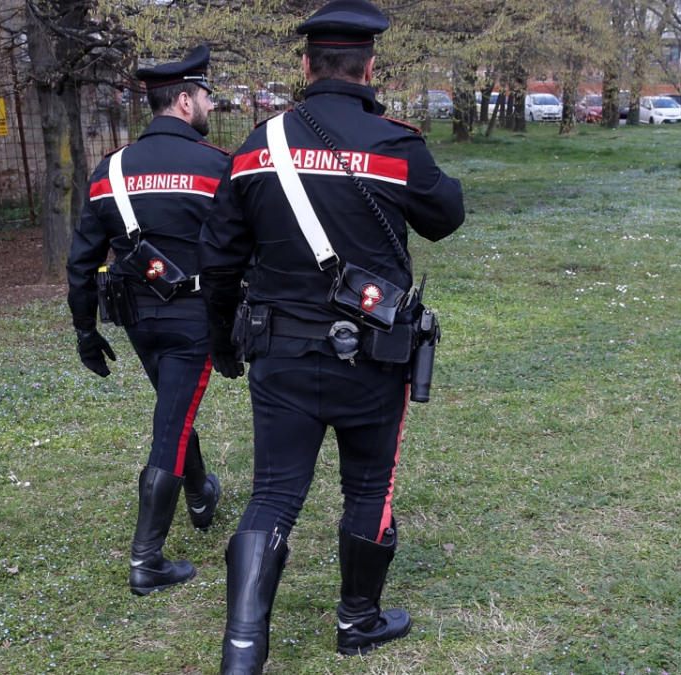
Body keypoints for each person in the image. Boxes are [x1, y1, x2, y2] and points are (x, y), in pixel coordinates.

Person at [198, 1, 466, 671]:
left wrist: (221, 343)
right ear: (370, 65)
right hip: (373, 356)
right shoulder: (396, 143)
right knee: (370, 487)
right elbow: (447, 216)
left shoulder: (258, 147)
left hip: (280, 353)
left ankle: (241, 652)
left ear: (305, 63)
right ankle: (358, 620)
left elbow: (219, 260)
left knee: (273, 495)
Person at [66, 44, 230, 597]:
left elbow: (80, 262)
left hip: (137, 323)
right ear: (184, 101)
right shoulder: (218, 167)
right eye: (205, 96)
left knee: (173, 410)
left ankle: (202, 491)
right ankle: (147, 562)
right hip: (195, 321)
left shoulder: (108, 169)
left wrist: (86, 332)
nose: (210, 105)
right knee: (171, 427)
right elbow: (245, 249)